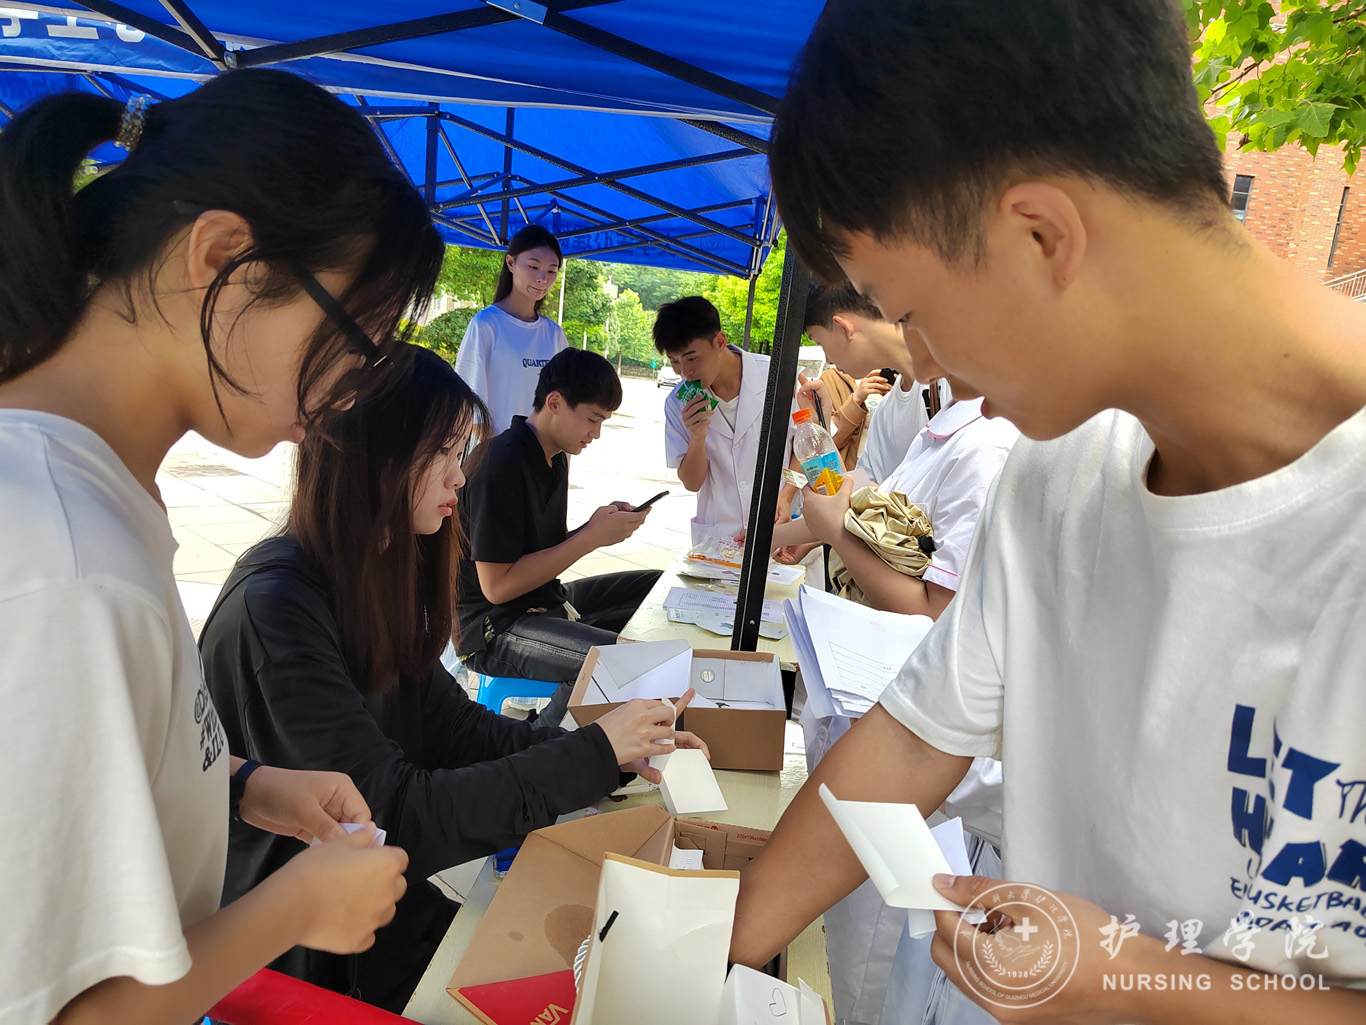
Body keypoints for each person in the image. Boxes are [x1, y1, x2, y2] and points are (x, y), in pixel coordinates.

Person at [734, 1, 1366, 1020]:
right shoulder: (1055, 474)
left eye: (910, 312)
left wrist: (1126, 978)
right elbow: (910, 742)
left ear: (1040, 235)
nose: (920, 360)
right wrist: (687, 950)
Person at [0, 71, 436, 1025]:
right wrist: (295, 905)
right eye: (351, 342)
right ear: (223, 256)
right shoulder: (66, 561)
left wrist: (240, 783)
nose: (347, 392)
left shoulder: (85, 493)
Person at [199, 347, 706, 1011]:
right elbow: (392, 815)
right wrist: (589, 754)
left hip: (382, 907)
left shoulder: (376, 568)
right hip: (300, 953)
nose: (458, 474)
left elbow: (452, 726)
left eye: (458, 449)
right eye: (440, 452)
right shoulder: (277, 609)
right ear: (373, 459)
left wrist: (609, 753)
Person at [455, 348, 660, 726]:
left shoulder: (553, 458)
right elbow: (497, 588)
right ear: (554, 402)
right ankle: (541, 747)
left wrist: (596, 527)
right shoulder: (500, 463)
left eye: (602, 421)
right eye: (592, 419)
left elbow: (544, 550)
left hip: (544, 599)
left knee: (655, 586)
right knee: (619, 664)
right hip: (494, 626)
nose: (596, 433)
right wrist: (591, 538)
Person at [654, 296, 801, 546]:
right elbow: (692, 483)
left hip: (782, 525)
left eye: (692, 358)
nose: (685, 372)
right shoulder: (677, 403)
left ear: (720, 342)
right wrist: (697, 436)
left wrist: (786, 496)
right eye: (675, 362)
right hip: (720, 537)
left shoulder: (779, 377)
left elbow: (807, 449)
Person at [802, 282, 951, 485]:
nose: (828, 360)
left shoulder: (954, 379)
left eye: (820, 342)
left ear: (843, 327)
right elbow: (866, 493)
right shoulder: (886, 409)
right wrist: (821, 429)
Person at [454, 225, 568, 435]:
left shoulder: (554, 334)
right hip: (495, 451)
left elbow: (563, 405)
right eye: (533, 266)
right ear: (510, 263)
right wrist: (496, 451)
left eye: (551, 271)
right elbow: (470, 405)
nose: (542, 278)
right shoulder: (486, 324)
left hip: (538, 452)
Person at [813, 361, 886, 469]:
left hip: (889, 472)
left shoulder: (900, 379)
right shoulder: (832, 378)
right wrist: (856, 400)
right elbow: (827, 442)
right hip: (851, 472)